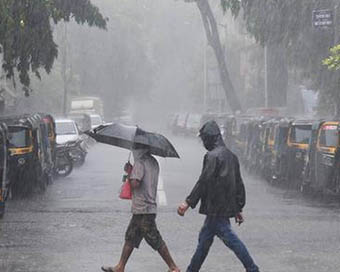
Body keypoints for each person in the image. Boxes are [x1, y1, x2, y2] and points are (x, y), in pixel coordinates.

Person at [177, 120, 259, 272]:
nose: (203, 143)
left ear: (209, 138)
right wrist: (238, 208)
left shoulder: (212, 157)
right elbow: (238, 184)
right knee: (204, 239)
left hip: (215, 207)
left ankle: (252, 268)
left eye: (203, 139)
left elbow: (203, 181)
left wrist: (188, 202)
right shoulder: (231, 156)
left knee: (231, 240)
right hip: (222, 208)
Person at [102, 145, 180, 272]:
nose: (133, 152)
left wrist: (130, 172)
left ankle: (173, 267)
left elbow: (135, 183)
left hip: (143, 208)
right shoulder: (153, 162)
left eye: (134, 149)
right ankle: (120, 267)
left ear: (139, 149)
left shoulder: (140, 163)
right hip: (146, 207)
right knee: (130, 237)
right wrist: (131, 170)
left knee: (154, 238)